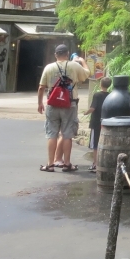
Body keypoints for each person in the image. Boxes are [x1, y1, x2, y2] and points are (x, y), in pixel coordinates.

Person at [38, 44, 89, 172]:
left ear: (56, 55)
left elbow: (41, 87)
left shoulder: (49, 67)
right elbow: (86, 75)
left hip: (52, 104)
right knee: (67, 134)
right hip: (70, 104)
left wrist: (40, 103)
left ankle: (50, 165)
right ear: (67, 54)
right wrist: (82, 61)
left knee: (52, 134)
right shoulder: (74, 66)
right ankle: (67, 164)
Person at [83, 76, 112, 172]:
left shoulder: (97, 95)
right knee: (103, 143)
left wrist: (85, 113)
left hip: (96, 122)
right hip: (106, 122)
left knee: (95, 144)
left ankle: (95, 164)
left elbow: (93, 108)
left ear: (100, 84)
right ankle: (103, 163)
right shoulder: (110, 95)